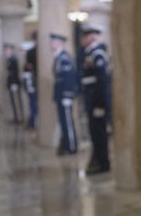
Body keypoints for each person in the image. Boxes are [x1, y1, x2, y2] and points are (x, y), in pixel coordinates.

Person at [80, 25, 111, 175]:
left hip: (96, 101)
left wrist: (100, 104)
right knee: (94, 132)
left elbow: (102, 81)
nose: (82, 40)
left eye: (84, 37)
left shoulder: (97, 54)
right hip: (91, 99)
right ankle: (98, 159)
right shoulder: (89, 53)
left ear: (90, 38)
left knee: (99, 133)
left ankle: (103, 162)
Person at [50, 33, 78, 156]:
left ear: (60, 43)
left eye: (53, 42)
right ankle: (66, 144)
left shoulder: (64, 58)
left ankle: (71, 146)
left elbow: (69, 78)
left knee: (67, 121)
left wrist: (67, 94)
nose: (51, 44)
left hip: (65, 95)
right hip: (60, 94)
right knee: (63, 121)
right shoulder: (58, 57)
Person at [4, 43, 25, 124]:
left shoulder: (13, 59)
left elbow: (15, 72)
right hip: (11, 83)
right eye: (5, 50)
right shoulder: (10, 59)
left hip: (14, 83)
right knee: (13, 101)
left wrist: (14, 83)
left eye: (7, 50)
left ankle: (19, 118)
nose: (5, 52)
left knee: (16, 101)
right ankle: (16, 117)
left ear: (11, 51)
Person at [23, 32, 38, 129]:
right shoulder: (31, 52)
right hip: (33, 81)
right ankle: (32, 122)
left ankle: (33, 122)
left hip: (34, 81)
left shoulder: (32, 52)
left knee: (33, 103)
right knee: (33, 103)